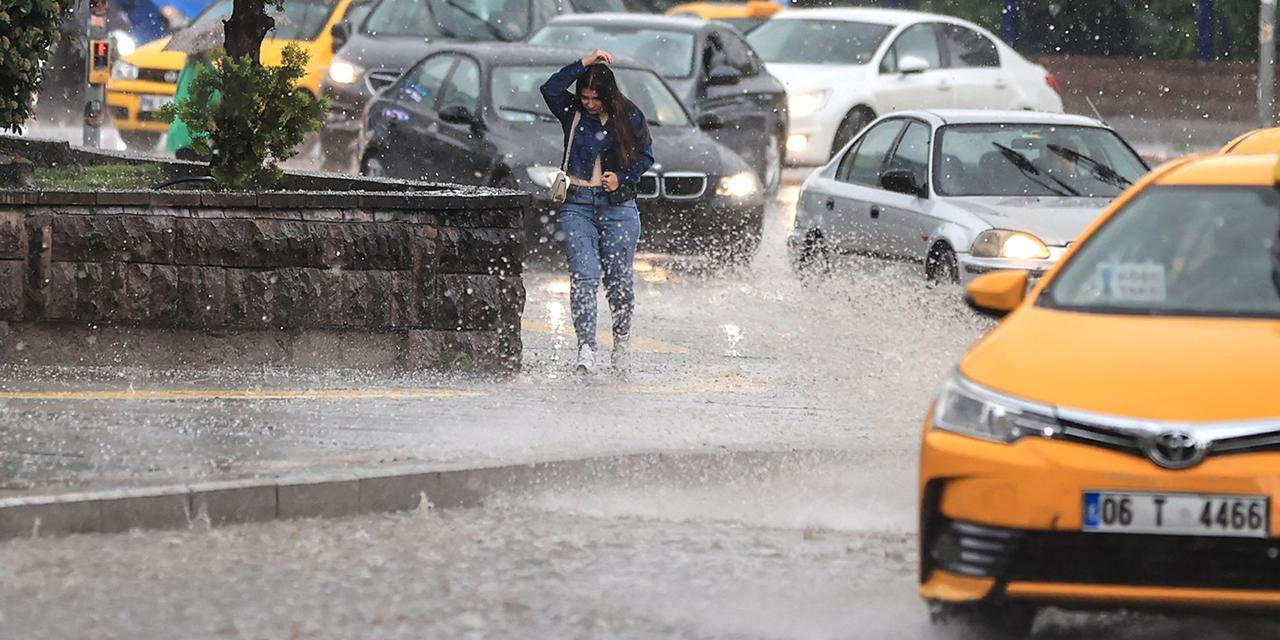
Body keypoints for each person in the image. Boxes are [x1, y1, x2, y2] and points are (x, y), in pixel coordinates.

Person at [541, 49, 655, 376]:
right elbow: (549, 88)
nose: (589, 103)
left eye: (595, 98)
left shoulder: (629, 115)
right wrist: (584, 63)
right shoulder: (572, 112)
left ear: (607, 94)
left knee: (618, 282)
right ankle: (586, 346)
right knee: (583, 278)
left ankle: (621, 340)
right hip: (576, 204)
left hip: (618, 208)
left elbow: (646, 155)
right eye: (585, 96)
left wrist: (623, 177)